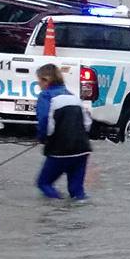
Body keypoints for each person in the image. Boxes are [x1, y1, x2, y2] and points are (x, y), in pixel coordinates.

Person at [33, 64, 92, 201]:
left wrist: (42, 139)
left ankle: (58, 211)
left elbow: (45, 122)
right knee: (77, 192)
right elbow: (87, 123)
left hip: (60, 151)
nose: (39, 85)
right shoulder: (73, 96)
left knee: (44, 183)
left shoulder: (46, 96)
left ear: (46, 80)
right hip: (82, 149)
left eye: (39, 81)